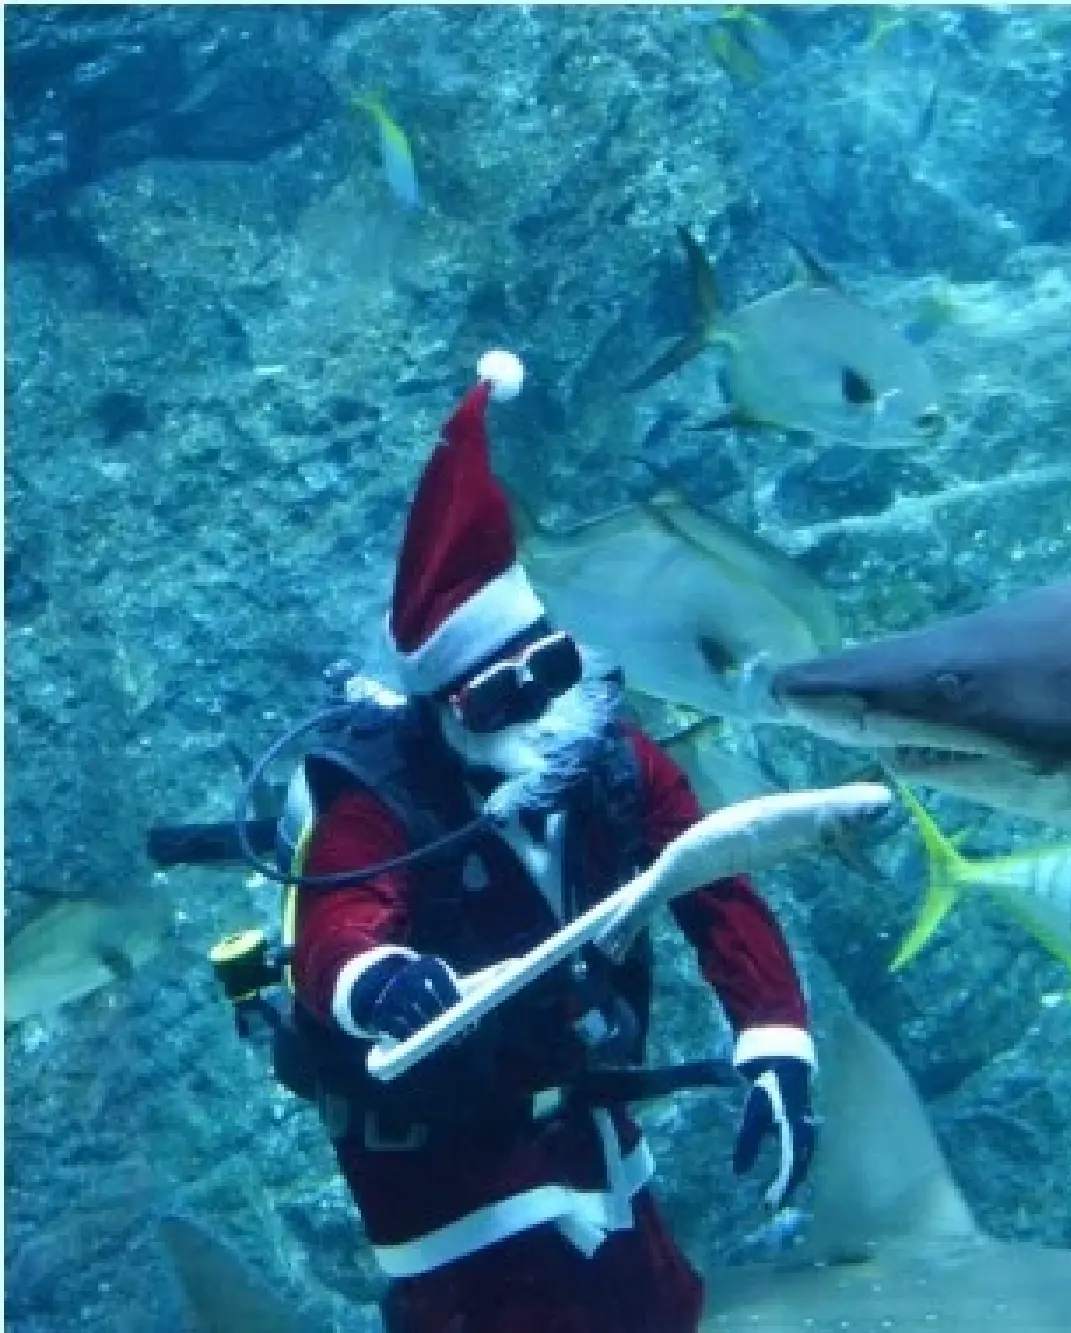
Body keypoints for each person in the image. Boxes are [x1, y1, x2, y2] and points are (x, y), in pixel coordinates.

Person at [286, 350, 818, 1333]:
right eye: (499, 695)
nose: (537, 709)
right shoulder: (384, 798)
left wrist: (774, 1035)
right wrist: (383, 980)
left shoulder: (614, 761)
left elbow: (713, 883)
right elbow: (333, 926)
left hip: (587, 1122)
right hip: (441, 1169)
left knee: (659, 1310)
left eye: (552, 669)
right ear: (444, 709)